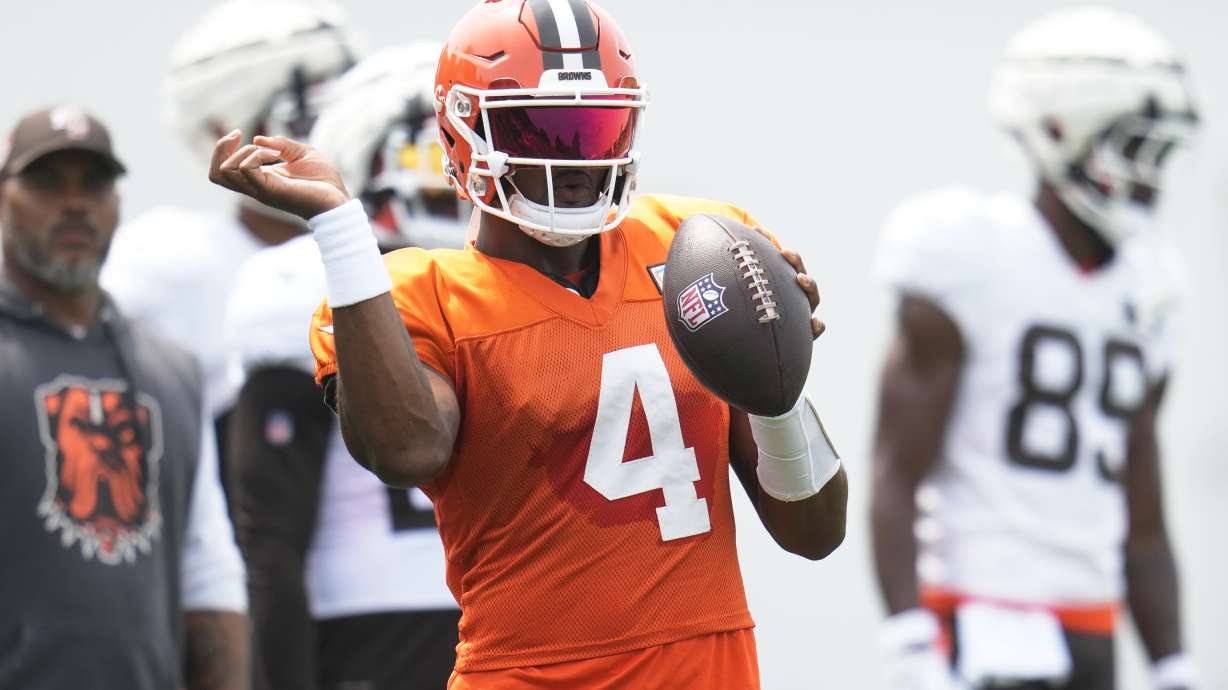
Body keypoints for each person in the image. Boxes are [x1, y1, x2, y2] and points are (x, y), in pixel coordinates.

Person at [207, 1, 848, 688]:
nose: (570, 159)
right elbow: (406, 451)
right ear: (460, 130)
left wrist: (780, 393)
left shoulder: (701, 246)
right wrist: (340, 229)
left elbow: (813, 533)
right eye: (537, 128)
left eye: (593, 126)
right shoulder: (418, 293)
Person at [871, 7, 1199, 690]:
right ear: (1061, 132)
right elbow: (896, 471)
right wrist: (911, 640)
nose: (1150, 181)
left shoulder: (1146, 289)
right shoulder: (972, 255)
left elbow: (1142, 516)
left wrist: (1173, 665)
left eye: (1159, 157)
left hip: (1092, 626)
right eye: (1134, 151)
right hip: (980, 616)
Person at [223, 43, 465, 690]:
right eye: (422, 156)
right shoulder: (301, 290)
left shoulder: (491, 288)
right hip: (366, 637)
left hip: (489, 620)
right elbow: (271, 542)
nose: (445, 181)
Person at [0, 106, 248, 689]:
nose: (74, 203)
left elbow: (205, 564)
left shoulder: (172, 371)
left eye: (94, 183)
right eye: (45, 183)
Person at [100, 0, 360, 490]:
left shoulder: (380, 252)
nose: (331, 144)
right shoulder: (168, 260)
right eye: (309, 119)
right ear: (224, 130)